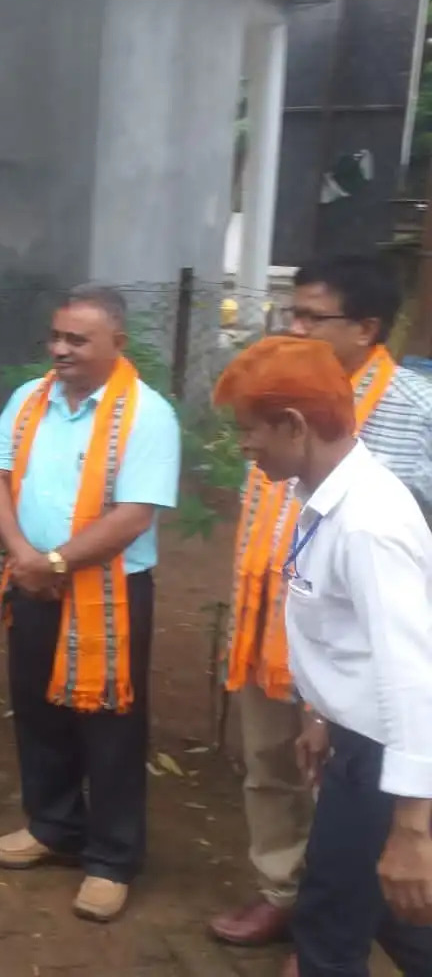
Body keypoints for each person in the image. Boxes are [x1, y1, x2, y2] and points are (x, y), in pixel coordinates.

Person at [211, 255, 432, 949]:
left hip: (384, 759)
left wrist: (412, 828)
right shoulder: (318, 494)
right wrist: (323, 712)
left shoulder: (367, 525)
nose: (244, 449)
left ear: (296, 427)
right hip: (352, 739)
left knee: (338, 927)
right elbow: (344, 636)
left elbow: (413, 676)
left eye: (251, 432)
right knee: (396, 926)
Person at [0, 284, 180, 923]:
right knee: (38, 709)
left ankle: (111, 859)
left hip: (110, 591)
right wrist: (22, 555)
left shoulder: (147, 413)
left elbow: (135, 513)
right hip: (31, 579)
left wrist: (58, 561)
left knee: (110, 724)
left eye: (77, 340)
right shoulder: (28, 400)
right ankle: (53, 826)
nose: (60, 349)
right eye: (56, 336)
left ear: (117, 344)